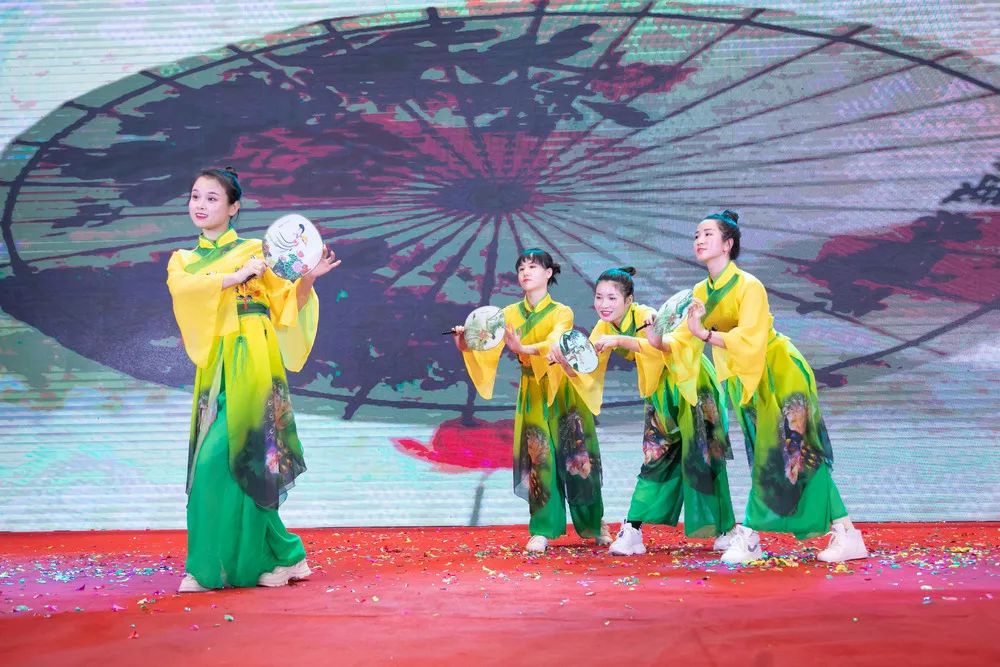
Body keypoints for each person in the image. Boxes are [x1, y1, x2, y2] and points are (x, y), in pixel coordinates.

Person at [649, 209, 867, 564]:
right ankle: (846, 532)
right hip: (746, 380)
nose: (699, 240)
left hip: (780, 373)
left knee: (785, 452)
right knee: (788, 456)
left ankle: (750, 537)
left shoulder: (749, 286)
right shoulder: (700, 292)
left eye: (707, 234)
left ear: (728, 244)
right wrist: (656, 336)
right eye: (696, 235)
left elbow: (752, 338)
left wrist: (705, 334)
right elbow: (683, 342)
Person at [166, 167, 340, 591]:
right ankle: (284, 555)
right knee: (231, 464)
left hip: (254, 357)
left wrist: (308, 278)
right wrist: (235, 277)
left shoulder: (257, 252)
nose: (200, 205)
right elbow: (185, 290)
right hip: (216, 366)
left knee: (238, 460)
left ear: (233, 208)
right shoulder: (183, 260)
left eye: (212, 198)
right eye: (195, 196)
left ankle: (206, 569)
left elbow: (286, 306)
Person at [452, 249, 610, 553]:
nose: (526, 272)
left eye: (533, 267)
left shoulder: (562, 312)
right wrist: (464, 342)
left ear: (548, 273)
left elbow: (554, 343)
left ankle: (595, 523)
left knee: (577, 459)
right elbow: (485, 346)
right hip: (533, 391)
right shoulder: (508, 314)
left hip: (563, 390)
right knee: (540, 460)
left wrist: (523, 347)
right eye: (521, 267)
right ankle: (542, 528)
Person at [573, 268, 735, 556]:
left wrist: (621, 341)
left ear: (629, 300)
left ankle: (726, 529)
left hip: (692, 384)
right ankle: (632, 529)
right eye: (599, 297)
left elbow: (664, 347)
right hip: (661, 393)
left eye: (612, 298)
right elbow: (587, 368)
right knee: (654, 458)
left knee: (706, 456)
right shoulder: (604, 327)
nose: (604, 304)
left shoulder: (646, 315)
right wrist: (565, 360)